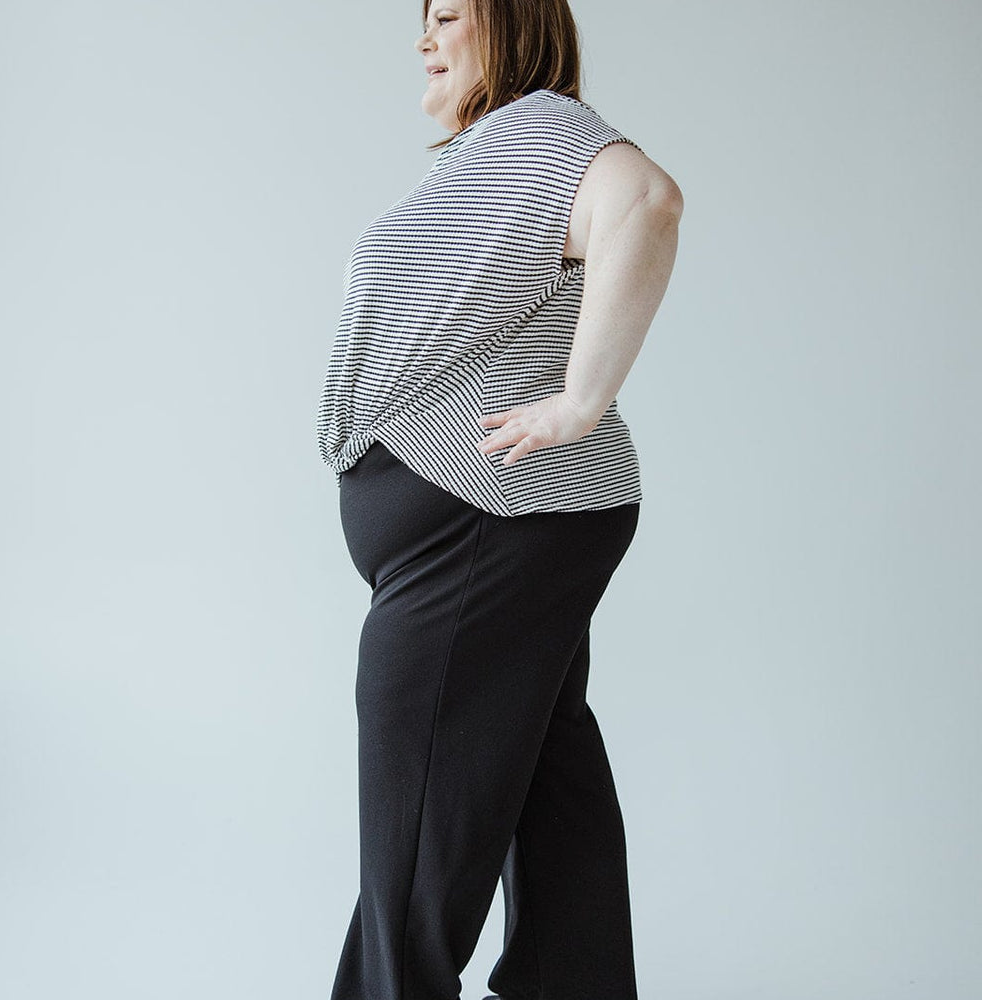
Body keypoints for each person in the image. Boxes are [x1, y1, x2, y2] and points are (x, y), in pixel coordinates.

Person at [315, 0, 682, 996]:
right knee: (544, 787)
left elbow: (645, 200)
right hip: (498, 525)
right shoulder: (497, 152)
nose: (423, 37)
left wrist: (581, 400)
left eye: (445, 14)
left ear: (513, 22)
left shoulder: (541, 129)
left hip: (483, 525)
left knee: (417, 840)